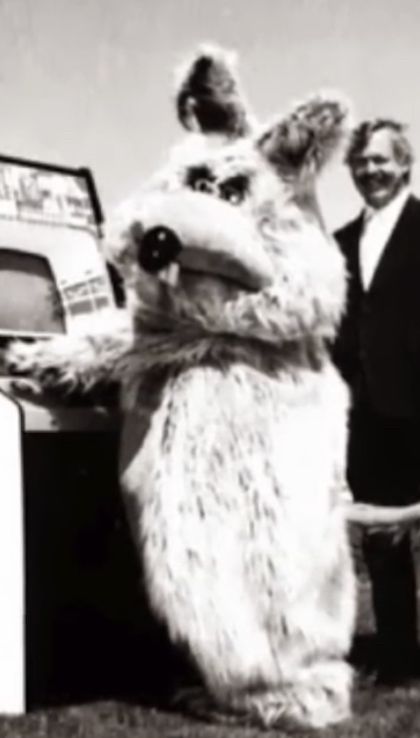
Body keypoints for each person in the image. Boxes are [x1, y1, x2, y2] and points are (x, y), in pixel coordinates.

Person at [333, 118, 420, 683]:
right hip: (363, 410)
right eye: (361, 162)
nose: (371, 171)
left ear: (405, 165)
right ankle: (397, 658)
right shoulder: (338, 242)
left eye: (381, 160)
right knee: (383, 537)